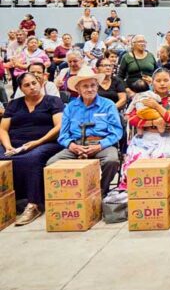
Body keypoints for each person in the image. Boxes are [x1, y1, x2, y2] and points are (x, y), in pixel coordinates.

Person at [48, 66, 123, 197]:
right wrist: (72, 145)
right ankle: (73, 193)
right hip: (76, 145)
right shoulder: (70, 107)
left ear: (97, 86)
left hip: (101, 144)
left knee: (112, 160)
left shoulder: (108, 105)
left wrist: (99, 145)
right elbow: (63, 135)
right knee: (52, 163)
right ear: (78, 89)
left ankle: (101, 191)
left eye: (93, 85)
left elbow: (117, 131)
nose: (90, 89)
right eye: (85, 86)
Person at [0, 73, 64, 226]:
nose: (32, 87)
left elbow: (59, 126)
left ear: (40, 82)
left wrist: (37, 142)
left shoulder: (52, 101)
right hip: (15, 142)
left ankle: (33, 204)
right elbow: (3, 129)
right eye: (27, 85)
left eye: (34, 83)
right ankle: (9, 201)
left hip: (45, 141)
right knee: (3, 159)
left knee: (32, 159)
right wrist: (8, 145)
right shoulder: (14, 104)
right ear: (21, 88)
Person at [119, 69, 170, 190]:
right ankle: (141, 192)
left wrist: (156, 106)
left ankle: (162, 192)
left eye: (166, 80)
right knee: (139, 160)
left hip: (166, 137)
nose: (162, 83)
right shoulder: (142, 97)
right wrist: (154, 122)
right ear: (152, 82)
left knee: (162, 158)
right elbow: (131, 118)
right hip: (144, 137)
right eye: (158, 80)